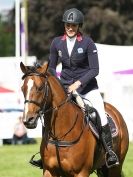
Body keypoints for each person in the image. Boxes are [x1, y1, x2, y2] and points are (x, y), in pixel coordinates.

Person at [30, 8, 119, 168]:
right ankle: (44, 155)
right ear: (64, 26)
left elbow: (94, 69)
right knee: (49, 115)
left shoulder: (87, 43)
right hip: (64, 88)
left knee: (100, 112)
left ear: (79, 26)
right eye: (68, 25)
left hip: (87, 88)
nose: (70, 28)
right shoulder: (57, 42)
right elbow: (51, 68)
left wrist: (78, 83)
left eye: (74, 25)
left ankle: (109, 152)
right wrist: (57, 85)